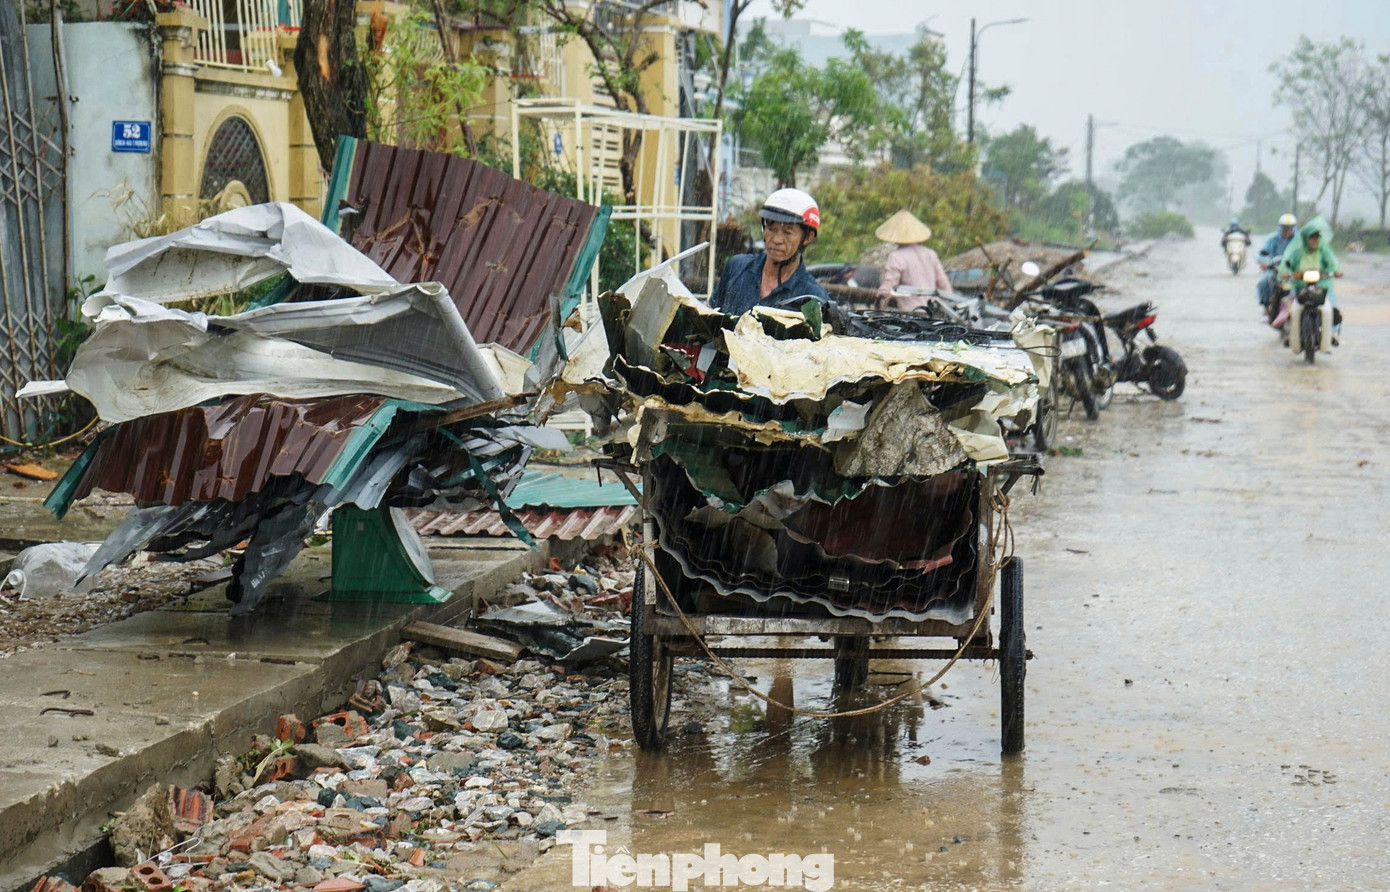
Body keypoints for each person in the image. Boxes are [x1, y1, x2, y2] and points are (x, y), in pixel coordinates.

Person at [710, 188, 828, 315]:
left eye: (788, 232)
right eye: (771, 229)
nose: (777, 240)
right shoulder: (737, 268)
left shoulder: (814, 298)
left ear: (808, 237)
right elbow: (710, 317)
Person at [1275, 215, 1344, 341]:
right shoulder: (1297, 252)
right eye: (1312, 237)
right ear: (1305, 238)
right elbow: (1287, 264)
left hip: (1321, 286)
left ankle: (1332, 334)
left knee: (1332, 304)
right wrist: (1286, 272)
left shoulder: (1323, 251)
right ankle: (1288, 331)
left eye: (1317, 237)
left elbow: (1332, 264)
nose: (1315, 240)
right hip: (1299, 286)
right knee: (1288, 304)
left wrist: (1336, 271)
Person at [874, 210, 952, 311]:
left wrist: (879, 311)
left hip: (912, 315)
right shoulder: (930, 254)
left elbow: (886, 289)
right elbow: (945, 286)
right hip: (932, 313)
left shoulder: (896, 257)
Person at [1256, 213, 1298, 308]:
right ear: (1280, 228)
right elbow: (1262, 252)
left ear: (1294, 228)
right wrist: (1264, 262)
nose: (1287, 231)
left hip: (1292, 270)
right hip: (1275, 268)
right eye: (1285, 228)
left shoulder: (1298, 240)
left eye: (1290, 228)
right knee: (1264, 282)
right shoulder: (1272, 239)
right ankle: (1266, 308)